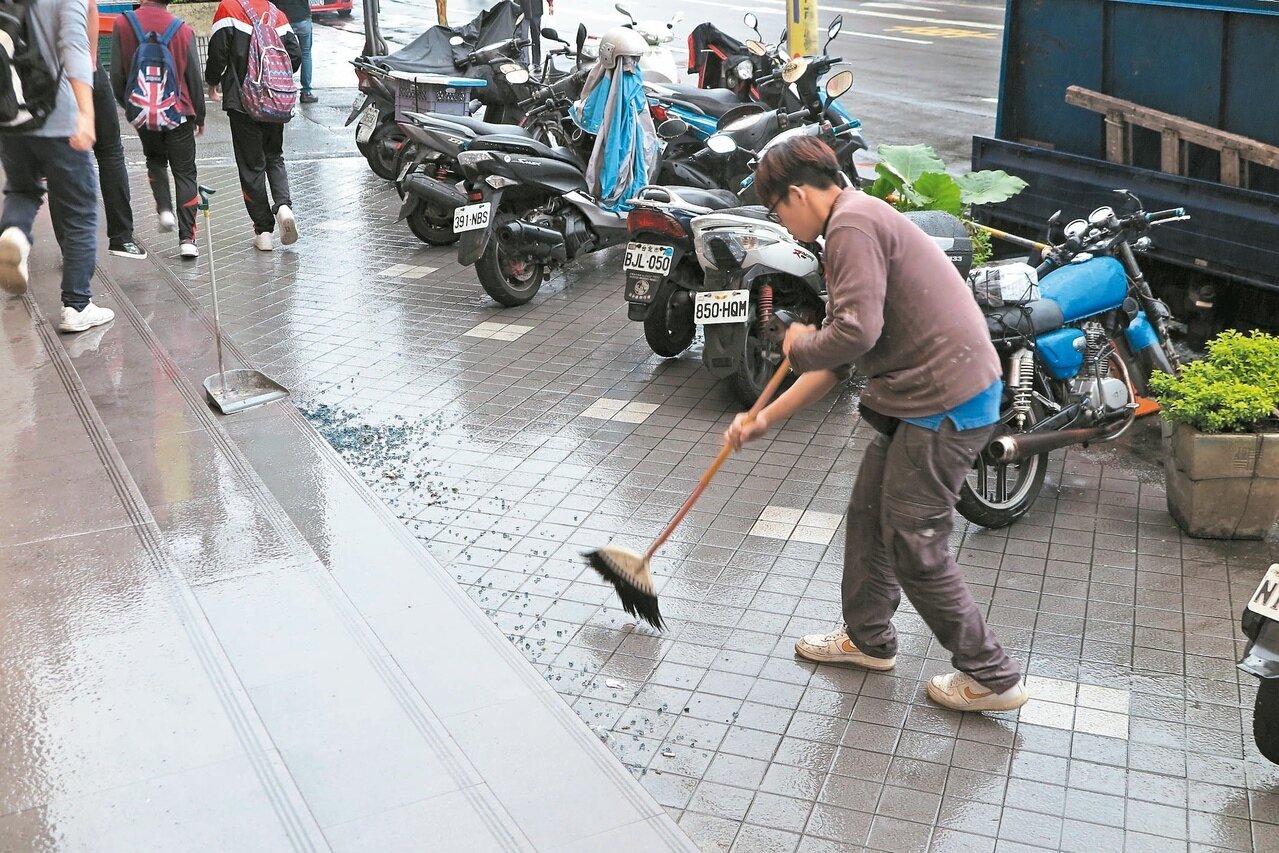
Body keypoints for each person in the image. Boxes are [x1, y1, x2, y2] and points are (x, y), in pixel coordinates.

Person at [725, 136, 1029, 713]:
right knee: (869, 513)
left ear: (796, 194)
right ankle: (868, 640)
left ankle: (994, 676)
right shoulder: (856, 221)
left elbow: (850, 337)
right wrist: (764, 418)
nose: (783, 226)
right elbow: (841, 361)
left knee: (914, 538)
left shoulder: (851, 226)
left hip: (946, 399)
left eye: (777, 212)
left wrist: (800, 341)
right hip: (914, 398)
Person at [0, 0, 114, 334]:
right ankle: (77, 305)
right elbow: (76, 50)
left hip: (11, 119)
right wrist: (86, 115)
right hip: (60, 119)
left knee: (22, 189)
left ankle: (15, 235)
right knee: (79, 210)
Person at [110, 0, 207, 260]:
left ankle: (164, 209)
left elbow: (117, 77)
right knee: (185, 172)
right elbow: (194, 79)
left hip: (144, 112)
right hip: (180, 112)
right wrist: (200, 115)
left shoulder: (123, 23)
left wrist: (133, 108)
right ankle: (187, 239)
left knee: (155, 160)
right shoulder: (181, 30)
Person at [205, 0, 301, 252]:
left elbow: (217, 53)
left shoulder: (229, 9)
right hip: (274, 100)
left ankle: (264, 231)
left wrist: (213, 82)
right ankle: (283, 206)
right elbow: (295, 55)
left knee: (251, 166)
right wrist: (274, 79)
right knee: (274, 156)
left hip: (242, 101)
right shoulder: (276, 13)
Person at [87, 3, 146, 260]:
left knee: (61, 160)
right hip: (82, 62)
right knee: (110, 151)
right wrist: (89, 61)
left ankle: (71, 247)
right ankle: (121, 238)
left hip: (40, 69)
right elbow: (88, 8)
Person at [273, 0, 317, 103]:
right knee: (306, 54)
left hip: (281, 20)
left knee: (279, 54)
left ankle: (280, 89)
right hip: (302, 17)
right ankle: (306, 92)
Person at [519, 0, 553, 70]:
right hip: (522, 9)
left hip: (535, 9)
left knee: (536, 37)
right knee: (523, 38)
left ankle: (536, 63)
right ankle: (525, 62)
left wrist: (550, 4)